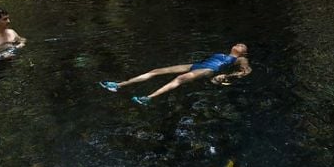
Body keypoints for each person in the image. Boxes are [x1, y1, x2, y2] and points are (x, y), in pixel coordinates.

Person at [100, 43, 251, 106]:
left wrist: (227, 77)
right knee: (156, 71)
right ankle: (118, 85)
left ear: (243, 52)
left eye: (241, 46)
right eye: (238, 43)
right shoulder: (225, 54)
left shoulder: (241, 59)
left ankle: (148, 98)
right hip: (198, 65)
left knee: (179, 79)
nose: (238, 45)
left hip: (208, 70)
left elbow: (246, 71)